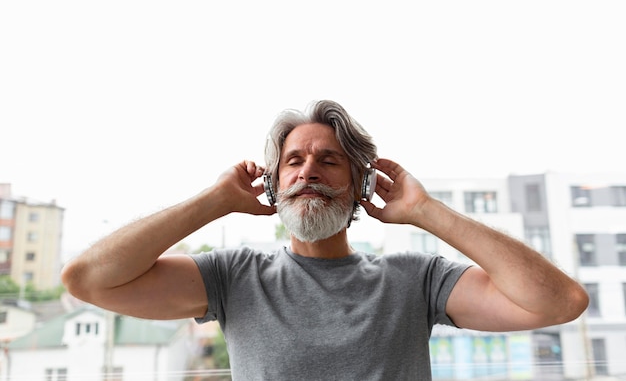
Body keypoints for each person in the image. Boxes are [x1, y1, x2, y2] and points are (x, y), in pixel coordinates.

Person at [61, 100, 588, 380]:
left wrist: (426, 212)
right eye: (293, 161)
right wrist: (214, 200)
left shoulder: (417, 280)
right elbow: (87, 281)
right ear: (273, 184)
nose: (308, 170)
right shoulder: (233, 277)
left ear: (359, 187)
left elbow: (560, 302)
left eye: (329, 160)